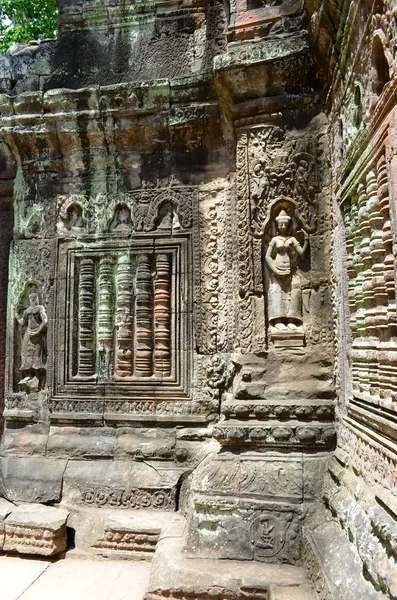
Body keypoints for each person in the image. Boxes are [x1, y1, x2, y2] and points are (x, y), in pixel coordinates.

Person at [265, 209, 308, 330]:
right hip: (277, 270)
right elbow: (267, 256)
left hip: (291, 270)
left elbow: (302, 254)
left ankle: (291, 319)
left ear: (288, 225)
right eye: (280, 224)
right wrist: (274, 269)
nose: (283, 226)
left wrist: (306, 240)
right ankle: (278, 319)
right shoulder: (275, 240)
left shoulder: (292, 240)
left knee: (294, 292)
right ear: (277, 226)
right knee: (277, 292)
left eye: (285, 224)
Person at [17, 290, 47, 389]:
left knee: (37, 354)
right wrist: (16, 313)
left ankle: (37, 377)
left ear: (37, 298)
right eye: (32, 297)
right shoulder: (27, 310)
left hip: (37, 333)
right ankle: (29, 375)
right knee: (26, 353)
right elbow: (22, 322)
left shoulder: (40, 308)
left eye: (35, 297)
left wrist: (38, 331)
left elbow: (45, 320)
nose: (33, 299)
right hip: (28, 333)